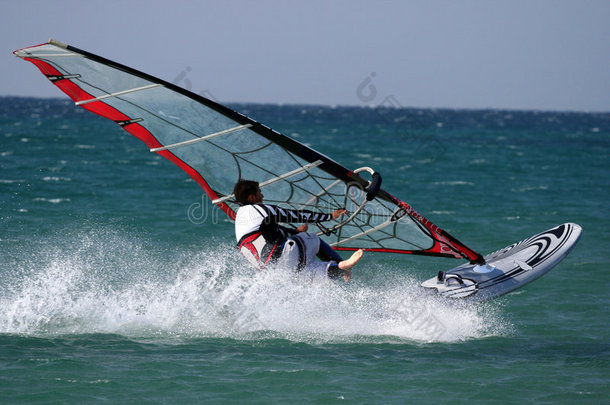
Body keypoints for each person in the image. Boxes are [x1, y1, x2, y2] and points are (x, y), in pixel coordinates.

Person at [233, 179, 363, 281]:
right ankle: (342, 264)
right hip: (283, 254)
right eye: (259, 192)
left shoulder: (241, 219)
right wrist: (330, 216)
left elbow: (269, 235)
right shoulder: (258, 209)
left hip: (273, 272)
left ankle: (340, 269)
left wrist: (295, 232)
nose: (262, 195)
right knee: (312, 238)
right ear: (252, 198)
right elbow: (295, 215)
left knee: (310, 272)